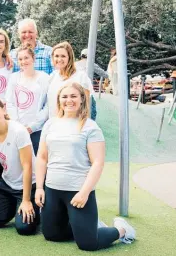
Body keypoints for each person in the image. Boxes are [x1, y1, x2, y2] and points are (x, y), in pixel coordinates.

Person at [35, 82, 136, 251]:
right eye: (64, 96)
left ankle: (122, 229)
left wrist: (84, 192)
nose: (69, 100)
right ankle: (87, 226)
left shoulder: (90, 127)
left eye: (74, 96)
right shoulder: (50, 124)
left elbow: (98, 162)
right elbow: (42, 157)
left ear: (82, 99)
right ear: (59, 100)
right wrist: (39, 187)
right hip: (52, 189)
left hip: (78, 191)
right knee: (52, 235)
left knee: (88, 244)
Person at [0, 97, 39, 235]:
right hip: (8, 185)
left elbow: (27, 167)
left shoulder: (18, 131)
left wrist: (26, 200)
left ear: (4, 109)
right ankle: (13, 205)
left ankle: (36, 206)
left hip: (29, 185)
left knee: (24, 228)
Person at [5, 47, 49, 155]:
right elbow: (10, 102)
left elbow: (48, 105)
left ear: (33, 58)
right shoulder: (14, 78)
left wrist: (33, 126)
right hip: (17, 130)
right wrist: (18, 125)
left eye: (26, 58)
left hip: (37, 130)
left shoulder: (44, 78)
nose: (23, 61)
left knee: (36, 163)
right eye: (20, 59)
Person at [47, 42, 94, 118]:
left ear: (69, 57)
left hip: (74, 124)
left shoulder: (81, 77)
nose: (59, 59)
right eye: (56, 56)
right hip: (54, 123)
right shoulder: (52, 76)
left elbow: (86, 106)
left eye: (63, 56)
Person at [75, 48, 108, 120]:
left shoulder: (75, 64)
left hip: (75, 89)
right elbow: (104, 74)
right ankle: (91, 124)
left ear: (81, 56)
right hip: (86, 89)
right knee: (91, 109)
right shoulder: (91, 64)